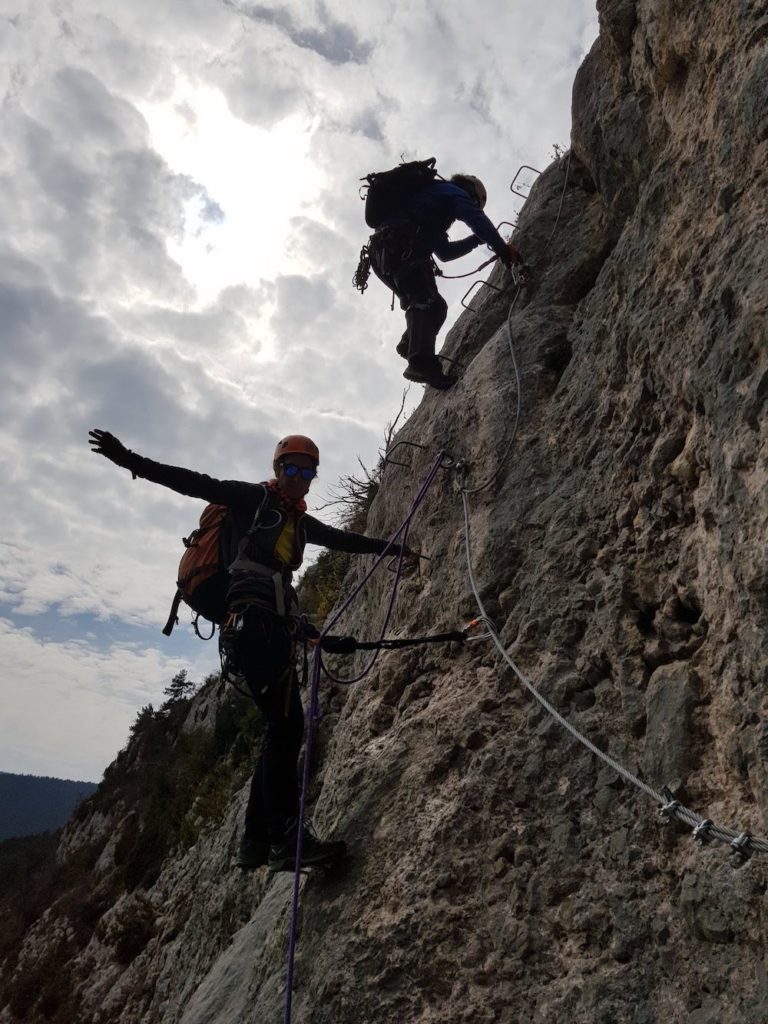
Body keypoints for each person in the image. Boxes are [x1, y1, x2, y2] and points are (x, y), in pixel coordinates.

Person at [88, 429, 409, 871]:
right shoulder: (251, 500)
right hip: (254, 627)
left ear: (314, 476)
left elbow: (342, 541)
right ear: (277, 470)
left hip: (264, 627)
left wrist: (392, 549)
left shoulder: (296, 524)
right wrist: (129, 460)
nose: (298, 476)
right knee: (286, 728)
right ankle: (282, 839)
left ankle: (257, 843)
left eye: (306, 470)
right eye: (290, 467)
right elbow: (193, 482)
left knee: (282, 730)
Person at [368, 173, 523, 391]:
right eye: (475, 202)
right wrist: (503, 249)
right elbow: (475, 218)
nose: (473, 206)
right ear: (471, 192)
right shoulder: (452, 192)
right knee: (426, 300)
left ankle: (409, 344)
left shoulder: (431, 205)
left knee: (436, 306)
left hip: (383, 256)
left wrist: (475, 240)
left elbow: (444, 253)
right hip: (401, 247)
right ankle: (421, 363)